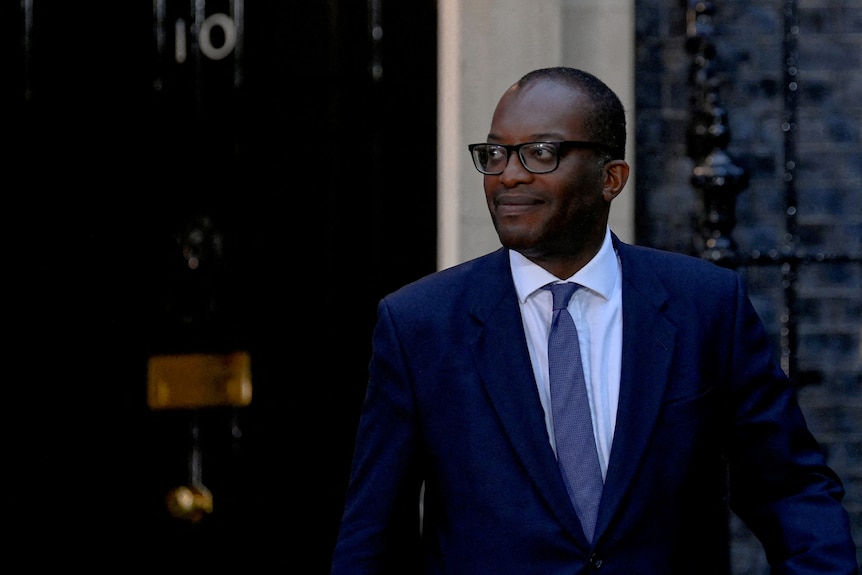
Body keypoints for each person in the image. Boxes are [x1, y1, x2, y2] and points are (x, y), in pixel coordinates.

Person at [330, 67, 858, 574]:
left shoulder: (705, 305)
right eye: (495, 154)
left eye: (540, 153)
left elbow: (788, 488)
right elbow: (375, 534)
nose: (509, 174)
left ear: (611, 178)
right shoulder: (419, 324)